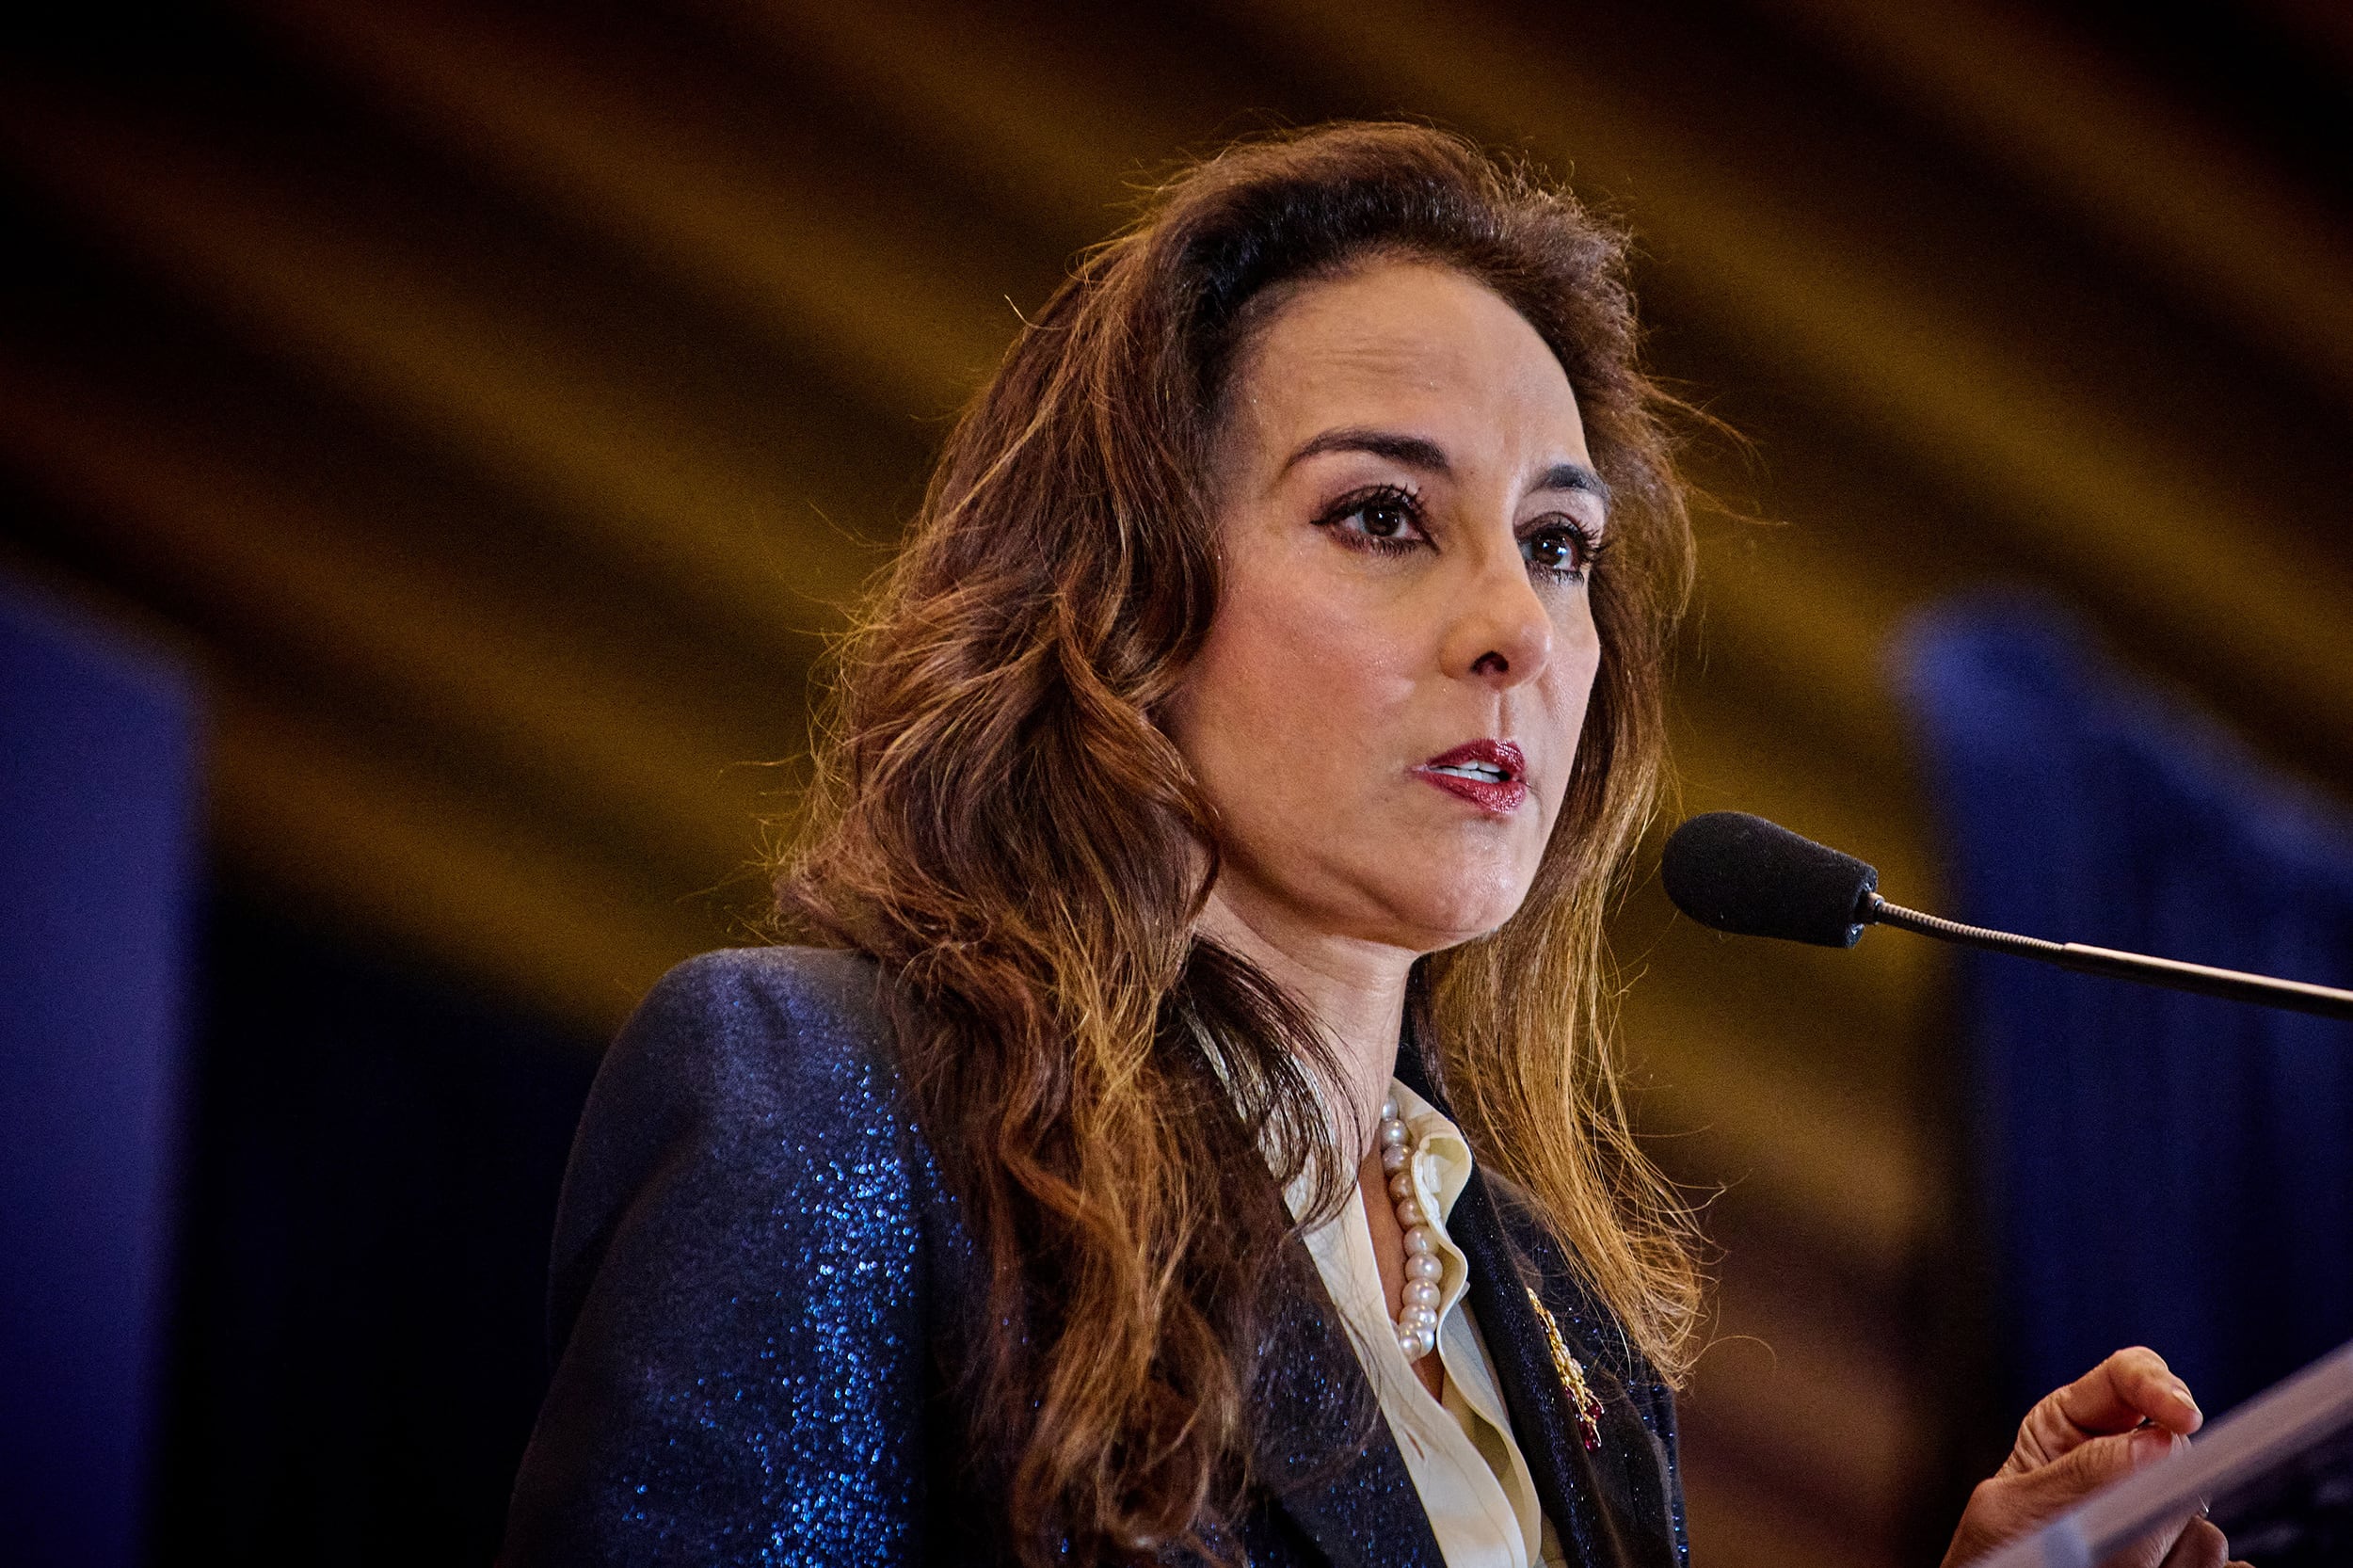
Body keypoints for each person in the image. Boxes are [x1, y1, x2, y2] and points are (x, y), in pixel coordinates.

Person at [498, 123, 2236, 1568]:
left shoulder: (1571, 1346)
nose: (1518, 627)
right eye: (1383, 515)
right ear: (1125, 608)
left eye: (1557, 545)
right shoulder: (830, 1096)